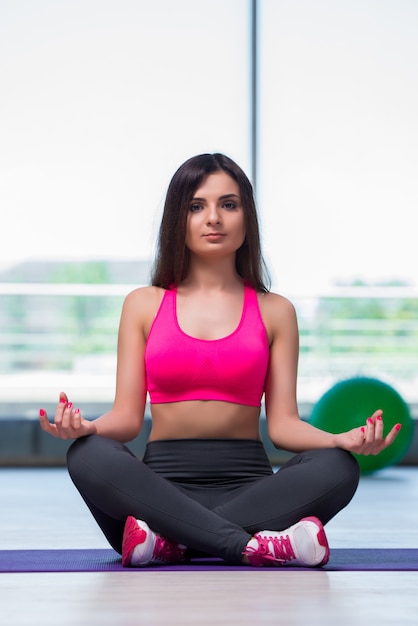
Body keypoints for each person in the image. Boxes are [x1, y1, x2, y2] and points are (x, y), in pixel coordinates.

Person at [39, 153, 401, 568]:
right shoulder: (143, 305)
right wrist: (86, 428)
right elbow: (126, 418)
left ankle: (169, 543)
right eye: (197, 206)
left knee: (338, 466)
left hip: (251, 493)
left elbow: (282, 426)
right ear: (178, 219)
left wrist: (339, 441)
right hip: (156, 492)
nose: (214, 217)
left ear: (246, 218)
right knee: (87, 454)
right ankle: (252, 546)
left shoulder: (275, 311)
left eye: (228, 204)